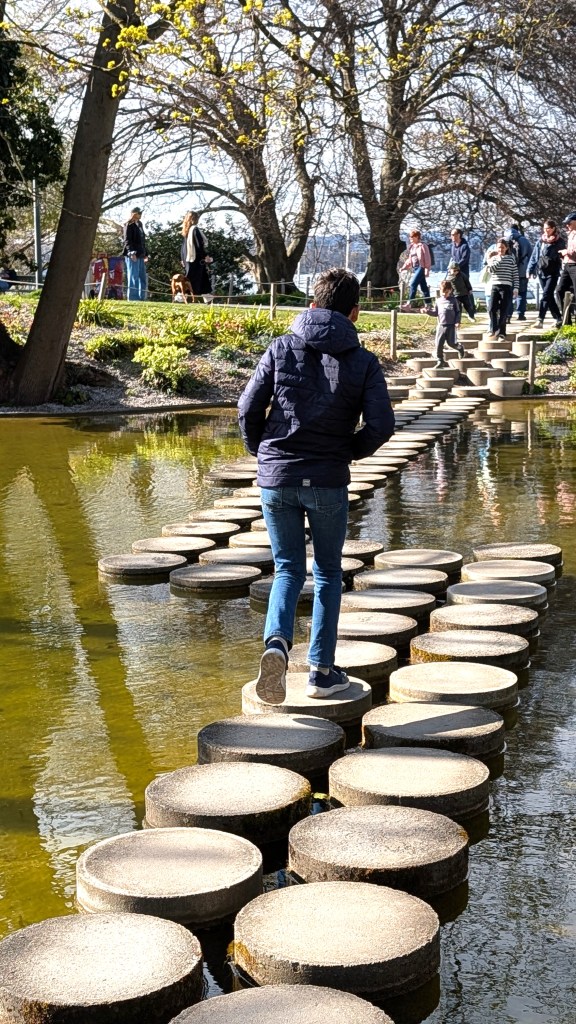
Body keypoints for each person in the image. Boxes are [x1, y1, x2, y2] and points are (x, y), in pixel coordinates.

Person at [238, 267, 394, 704]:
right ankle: (321, 672)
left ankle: (276, 645)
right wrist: (347, 452)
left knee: (287, 568)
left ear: (312, 304)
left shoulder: (280, 347)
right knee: (327, 573)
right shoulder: (364, 362)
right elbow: (382, 425)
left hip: (278, 478)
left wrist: (262, 452)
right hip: (327, 479)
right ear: (355, 312)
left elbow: (247, 407)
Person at [527, 220, 564, 328]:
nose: (546, 230)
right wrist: (530, 270)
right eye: (544, 228)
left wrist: (551, 246)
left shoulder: (559, 241)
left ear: (553, 228)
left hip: (553, 272)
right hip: (541, 271)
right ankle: (558, 318)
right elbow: (534, 256)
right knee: (549, 296)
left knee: (546, 295)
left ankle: (540, 319)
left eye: (548, 228)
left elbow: (560, 254)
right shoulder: (540, 241)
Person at [485, 238, 519, 340]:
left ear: (506, 248)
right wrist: (498, 260)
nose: (501, 249)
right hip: (495, 286)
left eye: (503, 247)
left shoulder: (511, 259)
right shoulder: (493, 259)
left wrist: (516, 288)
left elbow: (515, 274)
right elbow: (491, 270)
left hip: (506, 286)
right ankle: (494, 328)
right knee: (491, 309)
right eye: (499, 247)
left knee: (504, 311)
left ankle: (502, 332)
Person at [425, 280, 464, 367]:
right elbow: (435, 312)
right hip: (441, 325)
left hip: (451, 326)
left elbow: (458, 312)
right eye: (443, 292)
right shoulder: (438, 301)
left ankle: (460, 348)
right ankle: (440, 360)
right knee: (438, 343)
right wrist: (427, 311)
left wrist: (457, 322)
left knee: (451, 343)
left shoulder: (453, 300)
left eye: (446, 292)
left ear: (450, 290)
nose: (444, 294)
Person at [181, 211, 213, 300]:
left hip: (187, 257)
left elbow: (183, 247)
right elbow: (199, 245)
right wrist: (205, 256)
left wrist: (182, 258)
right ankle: (180, 296)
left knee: (202, 276)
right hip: (195, 258)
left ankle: (207, 296)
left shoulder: (186, 230)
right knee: (191, 278)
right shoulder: (194, 230)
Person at [505, 224, 532, 321]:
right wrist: (531, 270)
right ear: (517, 230)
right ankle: (521, 314)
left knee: (508, 294)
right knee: (522, 293)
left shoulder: (505, 239)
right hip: (522, 271)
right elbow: (531, 256)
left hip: (509, 271)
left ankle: (508, 315)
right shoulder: (525, 240)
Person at [400, 229, 432, 310]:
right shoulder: (412, 247)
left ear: (417, 237)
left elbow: (427, 258)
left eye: (412, 237)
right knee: (423, 286)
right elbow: (410, 259)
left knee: (413, 284)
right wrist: (404, 267)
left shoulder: (423, 246)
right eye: (410, 237)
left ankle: (409, 304)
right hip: (415, 268)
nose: (410, 238)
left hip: (421, 267)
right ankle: (428, 304)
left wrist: (427, 269)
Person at [122, 207, 148, 301]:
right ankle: (133, 298)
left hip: (141, 254)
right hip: (132, 254)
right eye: (139, 213)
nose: (140, 215)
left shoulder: (140, 224)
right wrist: (131, 253)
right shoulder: (128, 224)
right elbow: (127, 240)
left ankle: (142, 298)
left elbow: (142, 240)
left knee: (142, 277)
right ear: (134, 214)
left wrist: (146, 254)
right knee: (134, 277)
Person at [554, 212, 576, 323]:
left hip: (575, 265)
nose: (567, 225)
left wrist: (565, 252)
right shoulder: (570, 234)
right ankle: (566, 320)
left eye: (569, 223)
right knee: (559, 290)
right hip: (568, 265)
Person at [449, 228, 475, 319]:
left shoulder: (465, 246)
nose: (452, 236)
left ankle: (471, 311)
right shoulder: (453, 246)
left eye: (453, 235)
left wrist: (456, 267)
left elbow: (464, 259)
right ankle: (456, 311)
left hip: (463, 272)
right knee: (454, 291)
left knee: (466, 291)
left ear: (458, 235)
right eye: (451, 235)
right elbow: (453, 258)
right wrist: (451, 268)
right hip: (454, 272)